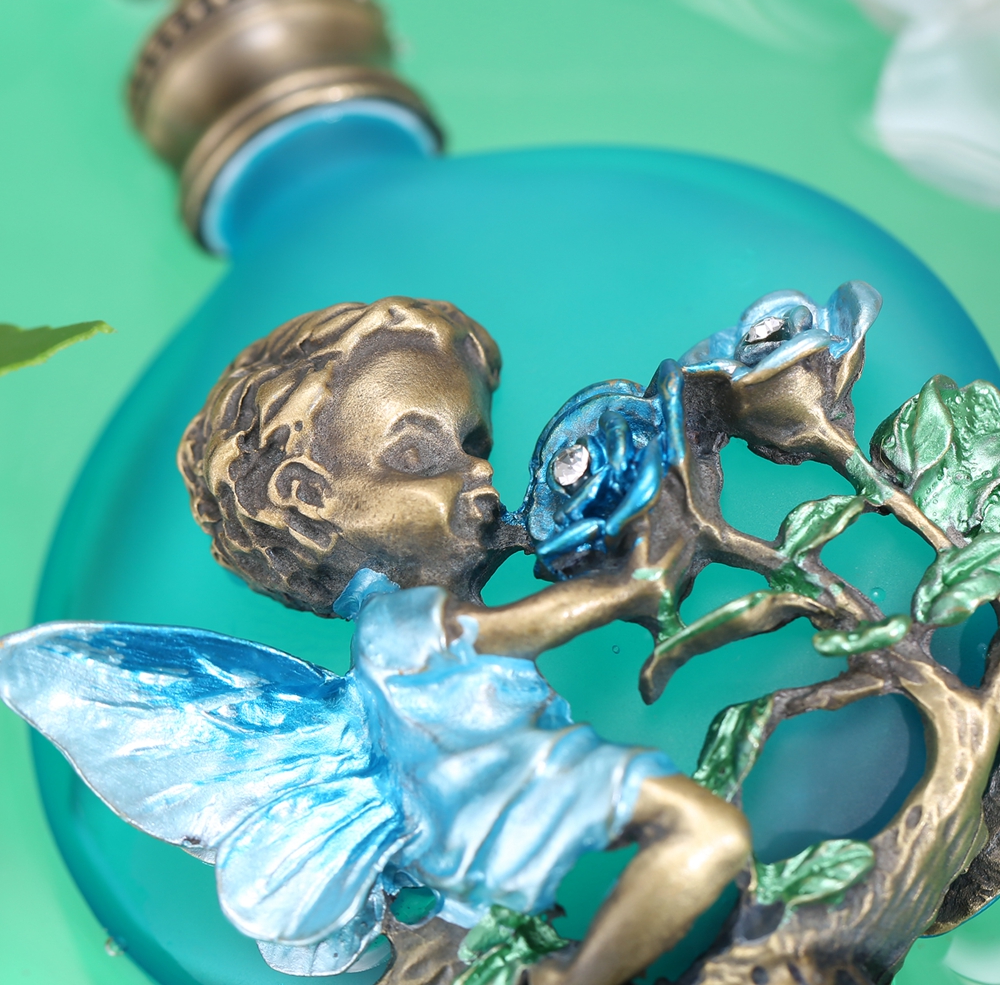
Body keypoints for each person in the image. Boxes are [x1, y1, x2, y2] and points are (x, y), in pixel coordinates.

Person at [1, 297, 749, 985]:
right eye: (418, 456)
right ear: (310, 497)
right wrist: (629, 583)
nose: (479, 472)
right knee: (706, 835)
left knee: (704, 836)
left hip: (529, 770)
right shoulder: (396, 625)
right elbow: (520, 629)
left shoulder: (443, 587)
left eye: (475, 443)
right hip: (495, 796)